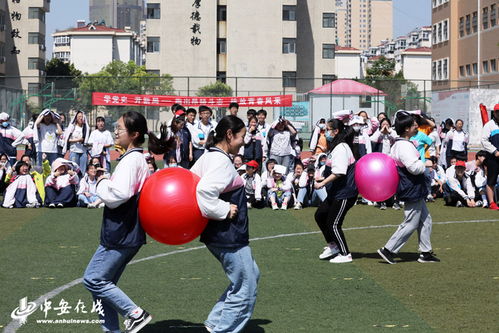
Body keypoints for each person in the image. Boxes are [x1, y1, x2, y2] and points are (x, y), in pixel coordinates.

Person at [83, 111, 155, 333]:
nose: (115, 131)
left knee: (93, 279)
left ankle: (135, 313)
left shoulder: (132, 160)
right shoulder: (133, 158)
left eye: (120, 128)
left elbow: (117, 196)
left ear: (134, 134)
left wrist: (102, 182)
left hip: (121, 231)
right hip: (126, 231)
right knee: (103, 285)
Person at [190, 115, 259, 333]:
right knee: (246, 288)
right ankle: (223, 329)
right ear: (229, 135)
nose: (243, 142)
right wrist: (223, 210)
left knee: (251, 274)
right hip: (229, 236)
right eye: (241, 137)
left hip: (220, 235)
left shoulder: (209, 155)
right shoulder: (220, 161)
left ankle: (214, 323)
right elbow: (203, 191)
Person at [377, 112, 440, 265]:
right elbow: (414, 168)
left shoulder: (403, 143)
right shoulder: (404, 145)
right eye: (413, 125)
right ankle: (388, 249)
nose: (417, 126)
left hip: (413, 186)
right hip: (411, 186)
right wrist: (424, 164)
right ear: (406, 129)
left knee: (425, 219)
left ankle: (425, 252)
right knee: (411, 222)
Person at [314, 119, 358, 263]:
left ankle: (345, 254)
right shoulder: (336, 147)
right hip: (336, 192)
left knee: (333, 223)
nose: (325, 132)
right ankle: (333, 245)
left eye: (327, 129)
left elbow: (340, 172)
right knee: (320, 215)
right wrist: (323, 177)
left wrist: (323, 183)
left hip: (345, 193)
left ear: (336, 131)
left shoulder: (341, 148)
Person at [481, 104, 499, 210]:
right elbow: (483, 140)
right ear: (494, 113)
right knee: (491, 180)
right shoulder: (489, 125)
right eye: (497, 112)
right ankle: (492, 203)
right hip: (493, 158)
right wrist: (495, 151)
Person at [63, 111, 90, 175]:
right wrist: (78, 140)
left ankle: (82, 183)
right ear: (76, 118)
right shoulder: (72, 127)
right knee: (74, 169)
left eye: (82, 116)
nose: (81, 118)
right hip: (74, 151)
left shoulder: (86, 128)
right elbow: (67, 139)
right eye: (79, 117)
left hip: (83, 151)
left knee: (83, 170)